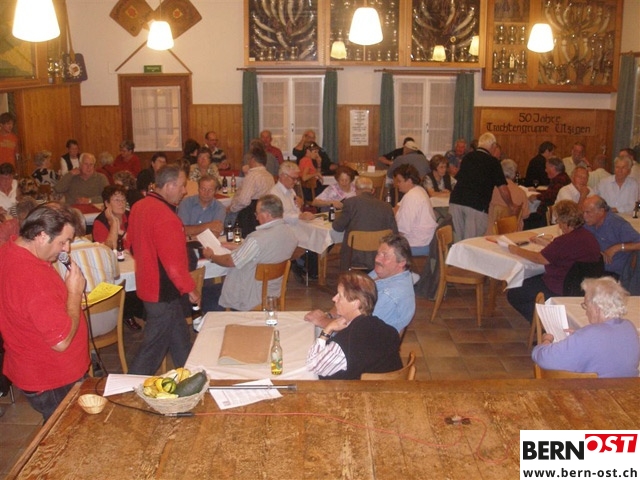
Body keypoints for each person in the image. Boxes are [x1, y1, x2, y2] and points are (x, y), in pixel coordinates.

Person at [0, 202, 87, 421]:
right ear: (41, 236)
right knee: (66, 431)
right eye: (63, 242)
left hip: (34, 369)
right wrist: (74, 293)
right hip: (53, 377)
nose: (66, 249)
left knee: (57, 428)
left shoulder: (9, 251)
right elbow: (61, 340)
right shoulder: (32, 279)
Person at [127, 164, 199, 375]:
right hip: (163, 292)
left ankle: (191, 378)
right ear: (168, 186)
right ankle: (127, 388)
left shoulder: (139, 207)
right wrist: (190, 289)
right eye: (182, 185)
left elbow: (130, 245)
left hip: (149, 287)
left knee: (180, 340)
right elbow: (174, 264)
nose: (185, 191)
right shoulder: (167, 217)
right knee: (152, 351)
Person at [506, 200, 601, 322]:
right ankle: (547, 318)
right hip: (581, 287)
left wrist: (516, 250)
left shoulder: (564, 241)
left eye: (559, 222)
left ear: (565, 222)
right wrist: (549, 244)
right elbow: (566, 251)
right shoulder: (588, 237)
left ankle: (545, 323)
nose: (559, 226)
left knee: (514, 292)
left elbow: (540, 258)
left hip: (559, 287)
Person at [202, 194, 298, 311]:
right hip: (273, 291)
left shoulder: (257, 238)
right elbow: (268, 250)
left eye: (257, 213)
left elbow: (230, 261)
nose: (256, 218)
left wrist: (212, 256)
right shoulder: (290, 234)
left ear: (267, 214)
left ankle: (217, 321)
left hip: (249, 295)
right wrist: (240, 247)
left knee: (204, 293)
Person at [532, 277, 639, 378]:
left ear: (597, 309)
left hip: (596, 389)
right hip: (628, 388)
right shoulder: (629, 327)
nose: (586, 312)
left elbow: (544, 358)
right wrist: (579, 336)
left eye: (586, 305)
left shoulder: (590, 335)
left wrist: (546, 340)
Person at [305, 234, 414, 333]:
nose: (377, 259)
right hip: (348, 327)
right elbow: (348, 294)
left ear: (401, 263)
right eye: (378, 253)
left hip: (359, 342)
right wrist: (329, 315)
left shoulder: (389, 295)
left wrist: (323, 321)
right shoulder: (382, 273)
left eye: (385, 255)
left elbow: (358, 329)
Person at [305, 272, 403, 380]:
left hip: (359, 389)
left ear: (356, 303)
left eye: (339, 296)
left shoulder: (346, 342)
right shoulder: (387, 329)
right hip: (390, 386)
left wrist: (327, 330)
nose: (334, 298)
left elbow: (313, 365)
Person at [449, 132, 518, 240]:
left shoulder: (467, 157)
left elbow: (458, 178)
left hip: (456, 201)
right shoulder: (493, 162)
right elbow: (503, 189)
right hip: (476, 205)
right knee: (471, 242)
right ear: (493, 146)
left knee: (457, 241)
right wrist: (511, 205)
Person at [331, 176, 398, 271]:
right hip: (378, 253)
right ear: (372, 190)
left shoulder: (350, 203)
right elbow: (394, 232)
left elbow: (338, 227)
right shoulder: (386, 206)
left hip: (354, 254)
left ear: (356, 189)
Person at [582, 196, 640, 279]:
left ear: (601, 211)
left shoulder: (618, 224)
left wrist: (617, 247)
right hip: (594, 267)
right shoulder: (587, 224)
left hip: (614, 272)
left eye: (588, 212)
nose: (584, 216)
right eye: (583, 212)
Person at [229, 143, 275, 236]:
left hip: (250, 217)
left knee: (227, 220)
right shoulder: (269, 176)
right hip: (266, 214)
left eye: (249, 159)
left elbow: (243, 201)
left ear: (253, 160)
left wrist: (232, 208)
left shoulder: (252, 176)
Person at [392, 164, 436, 257]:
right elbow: (397, 208)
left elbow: (401, 229)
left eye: (399, 181)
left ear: (409, 181)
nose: (397, 184)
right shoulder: (419, 190)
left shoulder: (412, 197)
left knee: (380, 245)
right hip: (424, 241)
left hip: (416, 244)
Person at [524, 157, 570, 229]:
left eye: (546, 168)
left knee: (525, 219)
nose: (545, 170)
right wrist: (537, 191)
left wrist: (537, 196)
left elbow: (551, 196)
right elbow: (552, 191)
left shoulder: (559, 180)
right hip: (548, 212)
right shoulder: (562, 177)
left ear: (553, 168)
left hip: (547, 214)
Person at [486, 159, 530, 233]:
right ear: (514, 174)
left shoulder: (490, 190)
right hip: (512, 234)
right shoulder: (521, 192)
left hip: (491, 233)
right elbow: (526, 215)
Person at [93, 185, 131, 251]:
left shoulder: (130, 216)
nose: (121, 203)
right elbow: (108, 250)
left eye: (123, 199)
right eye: (117, 200)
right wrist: (114, 223)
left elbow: (139, 241)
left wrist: (121, 232)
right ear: (107, 203)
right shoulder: (100, 222)